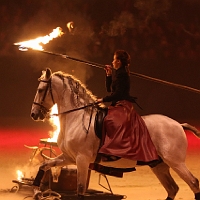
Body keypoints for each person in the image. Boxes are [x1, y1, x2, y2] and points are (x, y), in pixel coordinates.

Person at [96, 49, 159, 164]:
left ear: (119, 61)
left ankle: (114, 151)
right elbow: (110, 89)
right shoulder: (118, 74)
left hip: (123, 105)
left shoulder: (123, 75)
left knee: (111, 121)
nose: (113, 62)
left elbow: (118, 94)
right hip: (117, 104)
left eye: (114, 59)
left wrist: (102, 99)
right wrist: (109, 75)